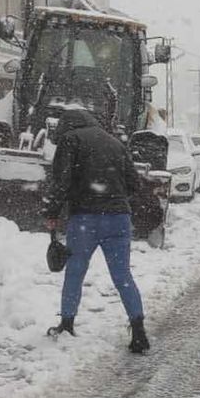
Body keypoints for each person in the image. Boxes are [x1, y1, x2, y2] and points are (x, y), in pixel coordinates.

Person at [43, 108, 150, 353]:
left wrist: (51, 213)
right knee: (122, 276)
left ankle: (67, 324)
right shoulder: (114, 142)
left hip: (85, 220)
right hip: (119, 219)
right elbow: (134, 183)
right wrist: (114, 197)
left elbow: (61, 182)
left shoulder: (70, 140)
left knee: (75, 272)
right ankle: (139, 331)